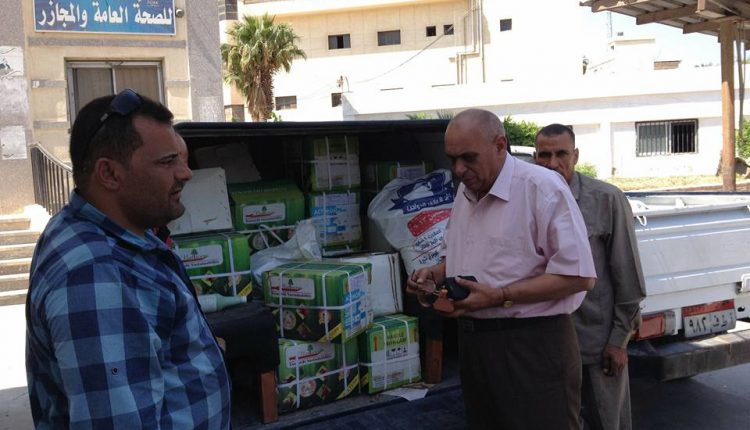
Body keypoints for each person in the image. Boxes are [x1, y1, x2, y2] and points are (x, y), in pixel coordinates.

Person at [25, 89, 231, 429]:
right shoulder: (96, 276)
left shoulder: (105, 228)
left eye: (182, 158)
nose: (186, 173)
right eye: (167, 162)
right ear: (109, 174)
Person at [407, 109, 597, 429]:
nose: (459, 169)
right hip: (476, 346)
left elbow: (579, 276)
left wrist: (500, 296)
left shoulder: (541, 187)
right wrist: (435, 275)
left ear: (500, 145)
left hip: (532, 346)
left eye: (468, 158)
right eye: (453, 159)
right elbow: (469, 257)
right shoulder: (467, 191)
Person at [534, 123, 646, 430]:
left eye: (561, 154)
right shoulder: (527, 200)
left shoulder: (605, 199)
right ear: (534, 157)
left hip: (596, 344)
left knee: (607, 422)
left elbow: (628, 277)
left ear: (575, 155)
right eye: (544, 155)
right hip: (546, 345)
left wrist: (619, 341)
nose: (553, 163)